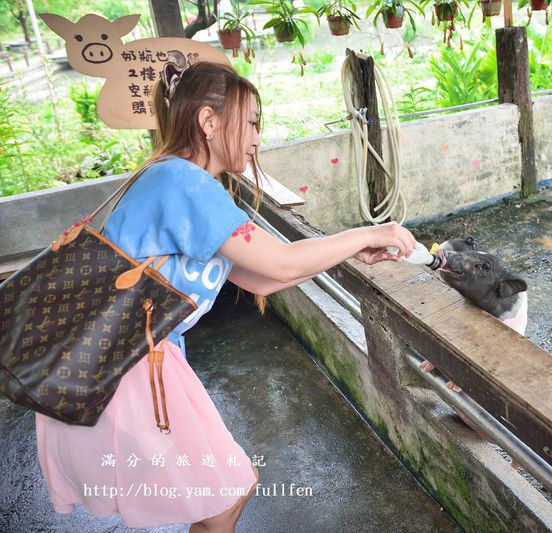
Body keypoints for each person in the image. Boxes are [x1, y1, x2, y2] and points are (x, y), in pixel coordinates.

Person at [34, 60, 418, 532]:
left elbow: (261, 278)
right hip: (132, 364)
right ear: (209, 122)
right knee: (226, 494)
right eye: (252, 122)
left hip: (125, 357)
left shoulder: (174, 178)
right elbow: (281, 263)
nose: (258, 138)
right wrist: (367, 233)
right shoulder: (185, 184)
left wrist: (353, 252)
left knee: (227, 493)